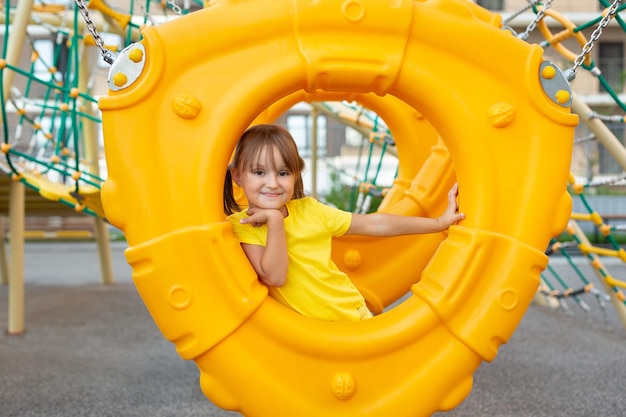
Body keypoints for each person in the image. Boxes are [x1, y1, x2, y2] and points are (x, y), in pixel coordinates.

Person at [224, 124, 464, 322]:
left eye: (283, 173)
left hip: (351, 316)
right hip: (308, 333)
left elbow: (376, 224)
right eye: (259, 172)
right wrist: (275, 221)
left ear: (295, 174)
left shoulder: (310, 210)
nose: (273, 183)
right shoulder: (241, 225)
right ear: (237, 176)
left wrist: (438, 223)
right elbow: (275, 277)